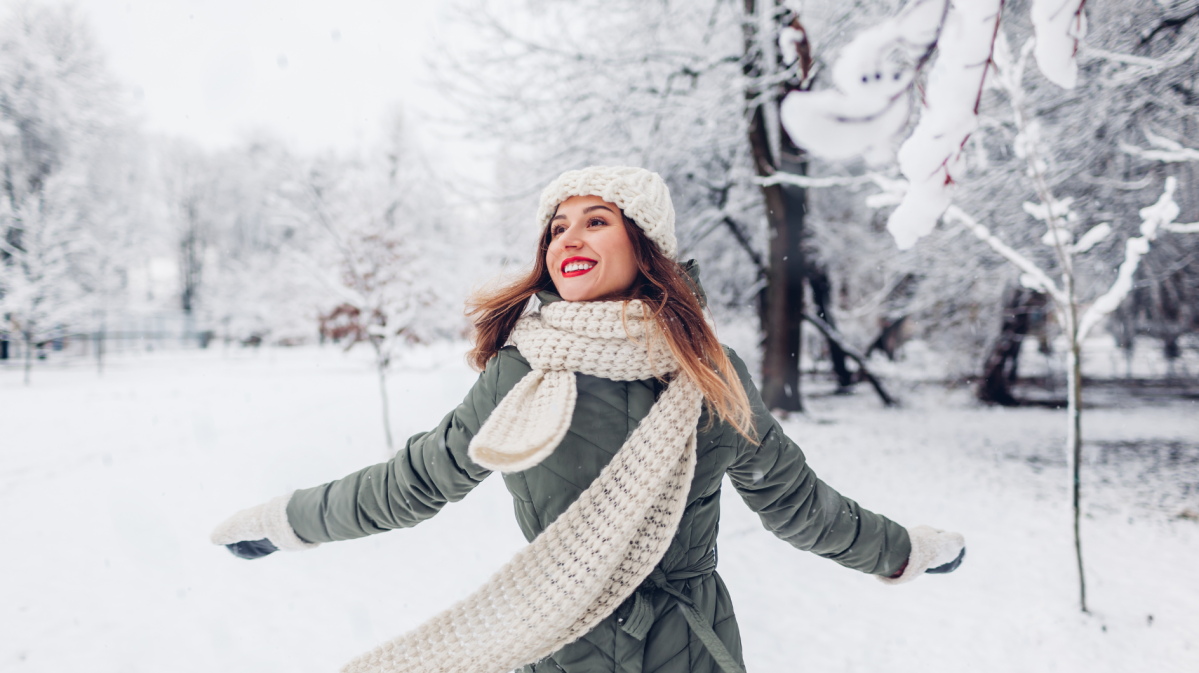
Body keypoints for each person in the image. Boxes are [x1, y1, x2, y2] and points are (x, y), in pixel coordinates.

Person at [211, 166, 966, 673]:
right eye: (556, 226)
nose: (568, 238)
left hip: (688, 647)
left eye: (595, 220)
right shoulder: (526, 368)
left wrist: (903, 550)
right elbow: (415, 481)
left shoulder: (710, 372)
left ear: (644, 242)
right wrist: (287, 520)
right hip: (557, 638)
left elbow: (796, 502)